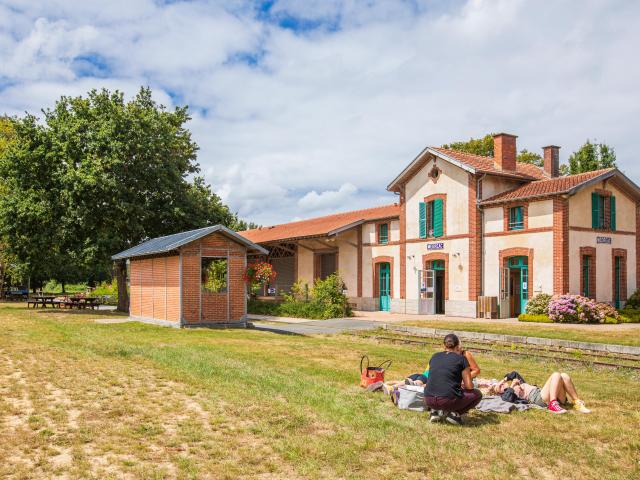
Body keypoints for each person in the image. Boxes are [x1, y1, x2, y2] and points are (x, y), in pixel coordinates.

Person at [424, 333, 482, 425]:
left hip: (428, 399)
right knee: (477, 394)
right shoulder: (462, 359)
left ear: (444, 345)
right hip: (446, 400)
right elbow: (469, 386)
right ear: (458, 346)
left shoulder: (434, 356)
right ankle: (454, 414)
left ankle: (435, 411)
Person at [493, 372, 591, 414]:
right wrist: (512, 386)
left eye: (501, 384)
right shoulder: (506, 394)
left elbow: (514, 373)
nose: (502, 385)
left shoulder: (518, 383)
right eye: (500, 387)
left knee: (564, 375)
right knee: (556, 375)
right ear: (499, 393)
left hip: (544, 393)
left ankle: (576, 403)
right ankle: (553, 404)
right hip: (537, 398)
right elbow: (507, 399)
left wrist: (502, 380)